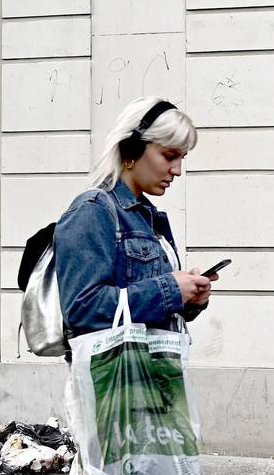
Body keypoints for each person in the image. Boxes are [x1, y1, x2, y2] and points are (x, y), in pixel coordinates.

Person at [55, 95, 216, 339]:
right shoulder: (93, 210)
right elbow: (82, 309)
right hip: (116, 375)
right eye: (169, 155)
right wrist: (171, 289)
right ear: (132, 149)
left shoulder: (147, 218)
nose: (177, 170)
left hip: (156, 372)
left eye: (181, 158)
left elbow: (146, 311)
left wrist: (189, 297)